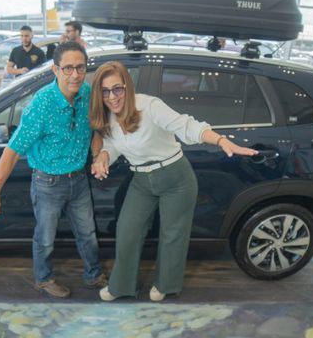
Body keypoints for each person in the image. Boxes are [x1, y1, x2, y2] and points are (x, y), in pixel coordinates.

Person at [89, 61, 258, 302]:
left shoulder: (149, 106)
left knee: (172, 235)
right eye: (105, 91)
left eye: (117, 89)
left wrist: (221, 141)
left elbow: (186, 126)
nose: (112, 97)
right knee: (127, 231)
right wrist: (104, 155)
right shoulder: (108, 115)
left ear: (127, 86)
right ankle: (121, 286)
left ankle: (165, 285)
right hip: (141, 179)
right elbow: (113, 144)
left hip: (175, 177)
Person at [0, 41, 106, 298]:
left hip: (79, 180)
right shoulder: (41, 105)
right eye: (68, 68)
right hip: (48, 184)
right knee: (45, 237)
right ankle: (43, 279)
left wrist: (98, 153)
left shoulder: (88, 94)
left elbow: (96, 129)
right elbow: (12, 150)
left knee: (88, 233)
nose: (75, 74)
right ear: (55, 70)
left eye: (80, 67)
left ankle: (93, 275)